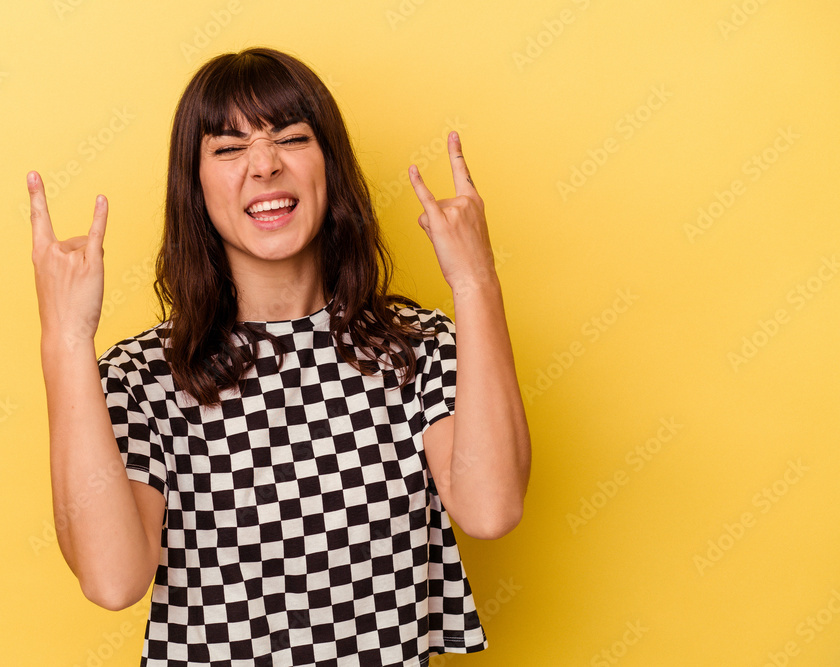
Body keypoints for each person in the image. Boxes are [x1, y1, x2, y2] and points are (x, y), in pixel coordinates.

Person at [27, 47, 531, 667]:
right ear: (196, 184)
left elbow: (491, 507)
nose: (264, 166)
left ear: (330, 167)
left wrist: (477, 281)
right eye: (229, 149)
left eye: (291, 138)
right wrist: (66, 338)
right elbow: (113, 581)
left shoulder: (413, 347)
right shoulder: (144, 378)